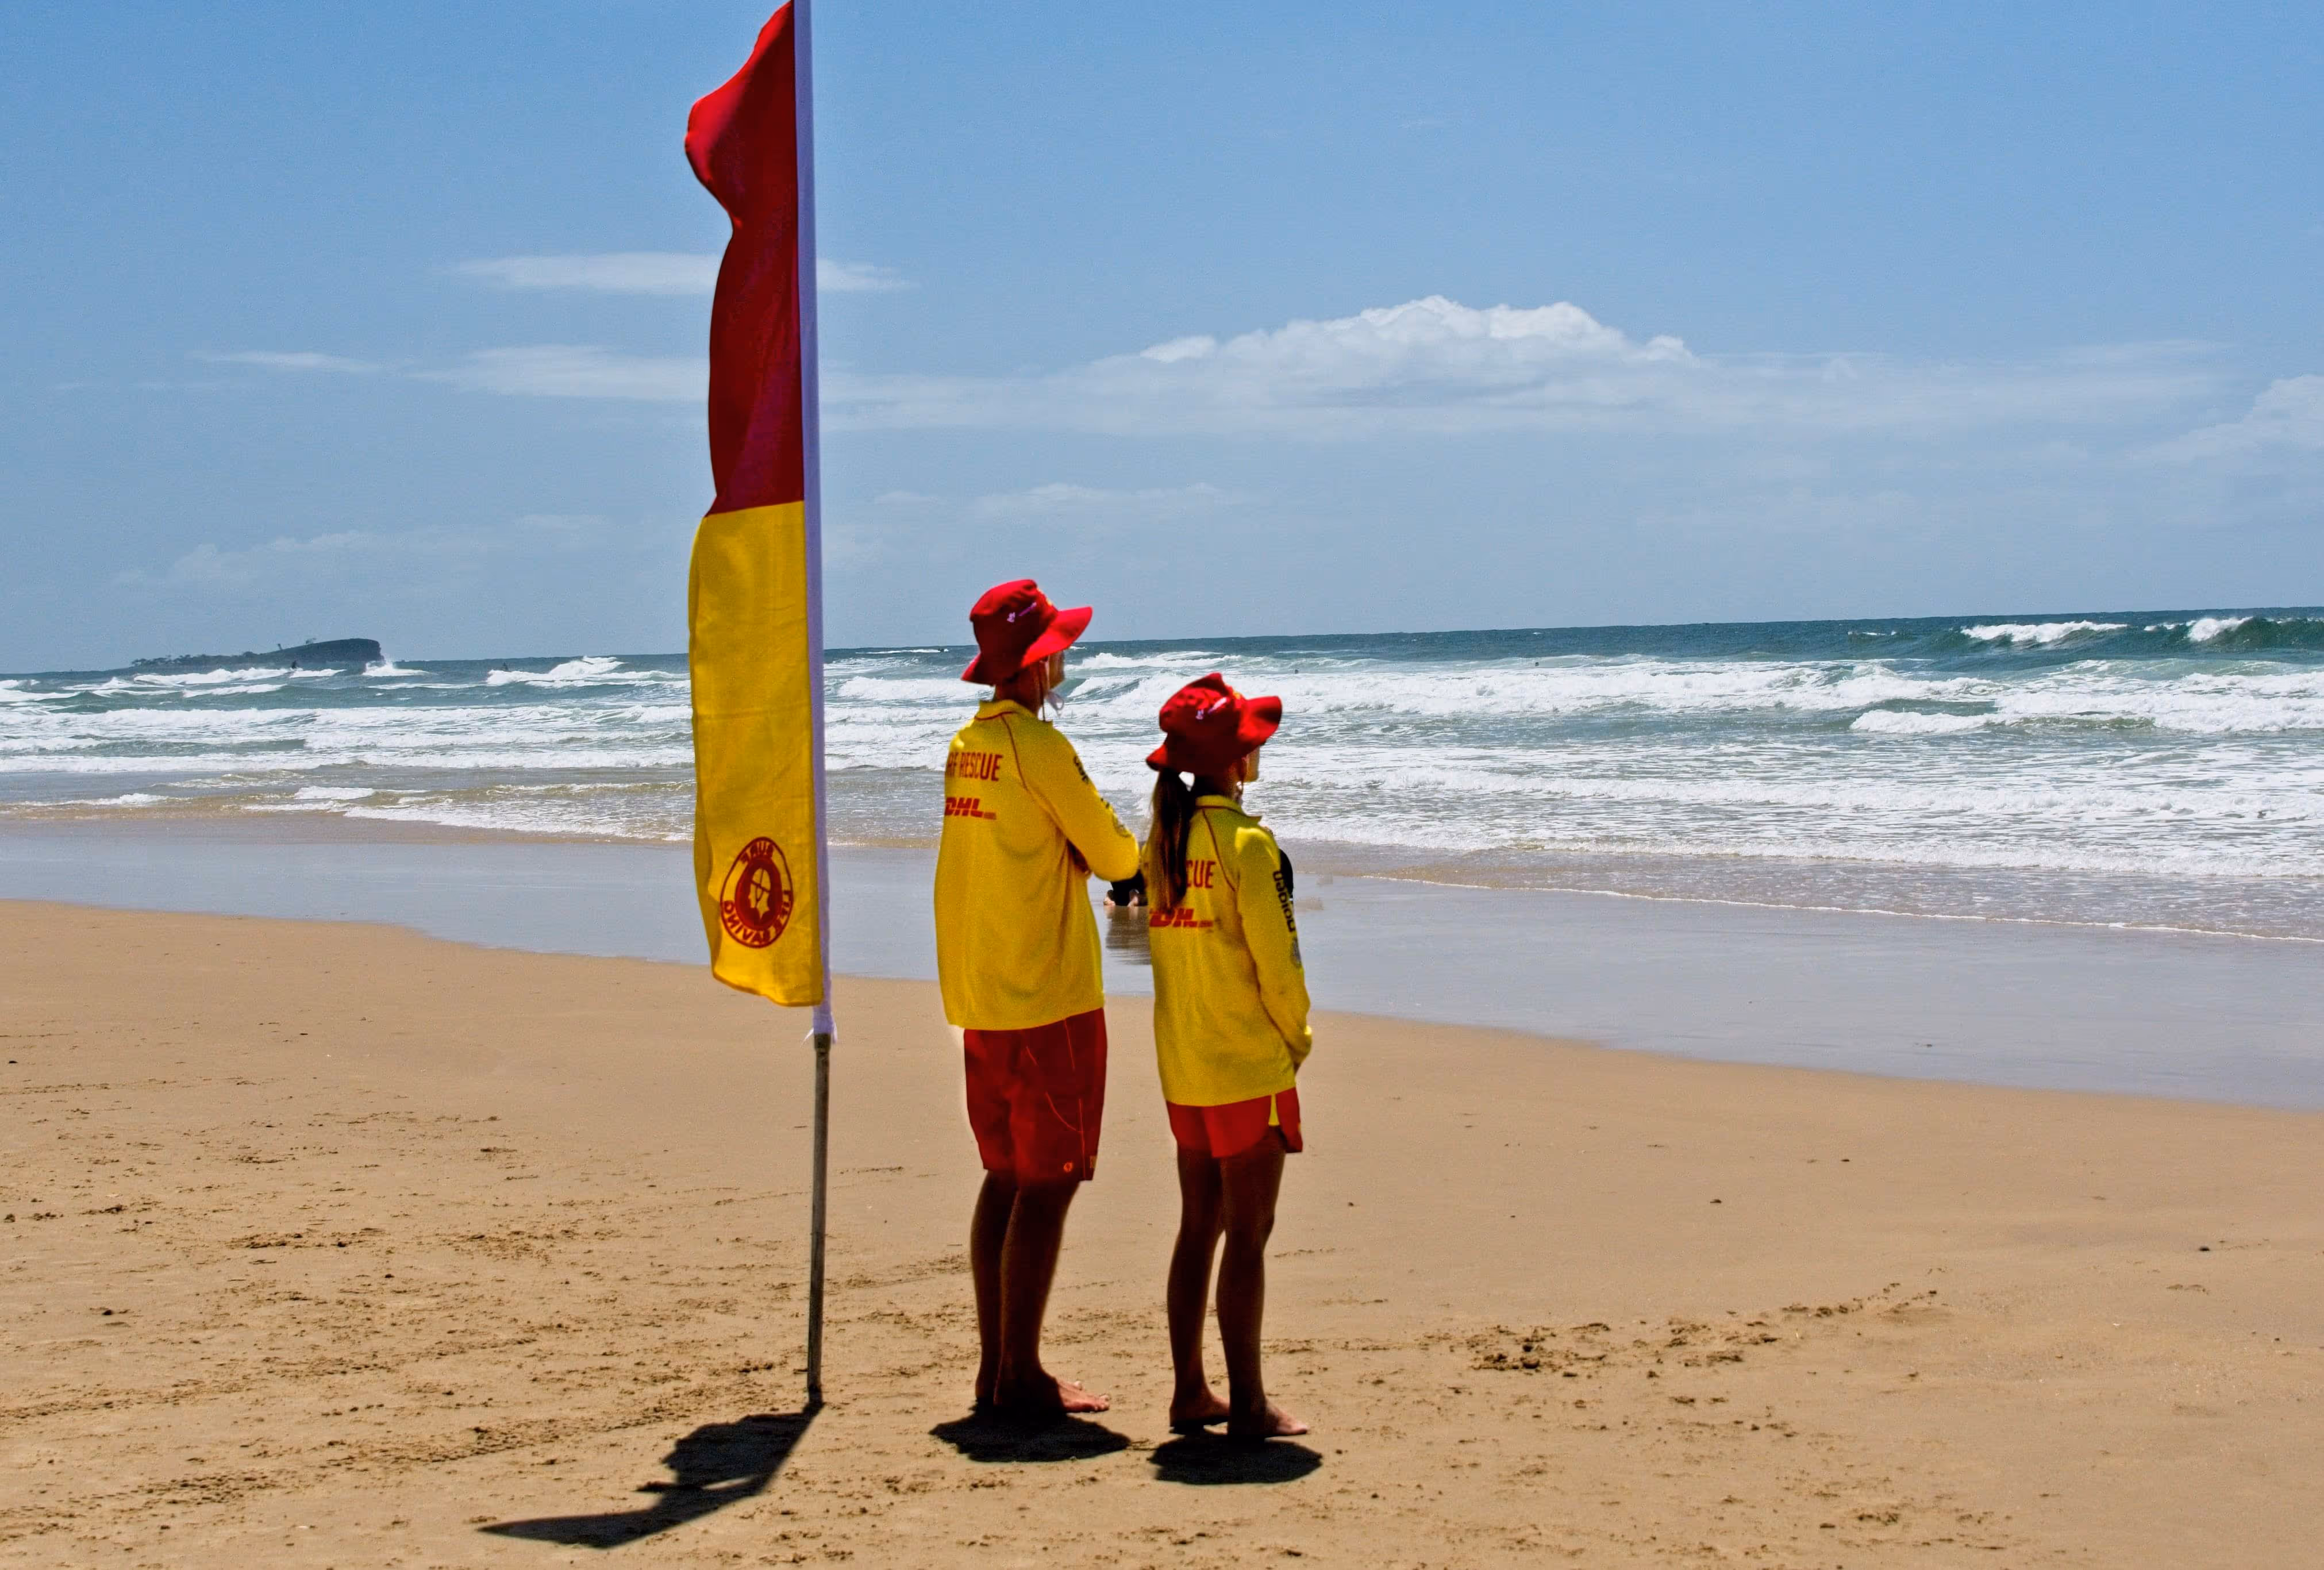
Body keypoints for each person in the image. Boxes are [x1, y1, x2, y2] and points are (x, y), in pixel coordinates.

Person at [933, 579, 1141, 1418]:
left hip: (983, 987)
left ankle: (998, 1366)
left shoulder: (965, 742)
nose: (1066, 659)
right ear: (1039, 662)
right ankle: (1018, 1374)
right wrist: (1120, 862)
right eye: (1058, 649)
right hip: (1044, 987)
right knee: (1049, 1182)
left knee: (1006, 1177)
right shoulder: (1039, 748)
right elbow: (1116, 852)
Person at [1142, 674, 1312, 1439]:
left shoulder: (1164, 840)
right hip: (1245, 1061)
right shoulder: (1249, 845)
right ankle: (1247, 1402)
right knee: (1249, 1231)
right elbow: (1279, 966)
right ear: (1237, 760)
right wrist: (1297, 1038)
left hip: (1184, 1062)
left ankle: (1189, 1391)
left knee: (1198, 1226)